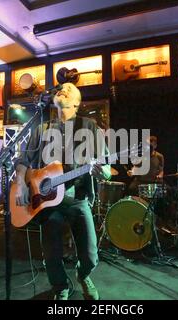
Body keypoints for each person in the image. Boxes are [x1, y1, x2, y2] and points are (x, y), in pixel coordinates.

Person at [15, 82, 111, 300]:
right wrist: (21, 182)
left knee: (90, 255)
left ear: (76, 102)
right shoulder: (42, 128)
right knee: (51, 254)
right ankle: (60, 288)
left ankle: (83, 274)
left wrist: (101, 172)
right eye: (60, 88)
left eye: (69, 88)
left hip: (78, 198)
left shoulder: (89, 127)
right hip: (48, 201)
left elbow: (106, 169)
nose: (62, 89)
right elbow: (23, 160)